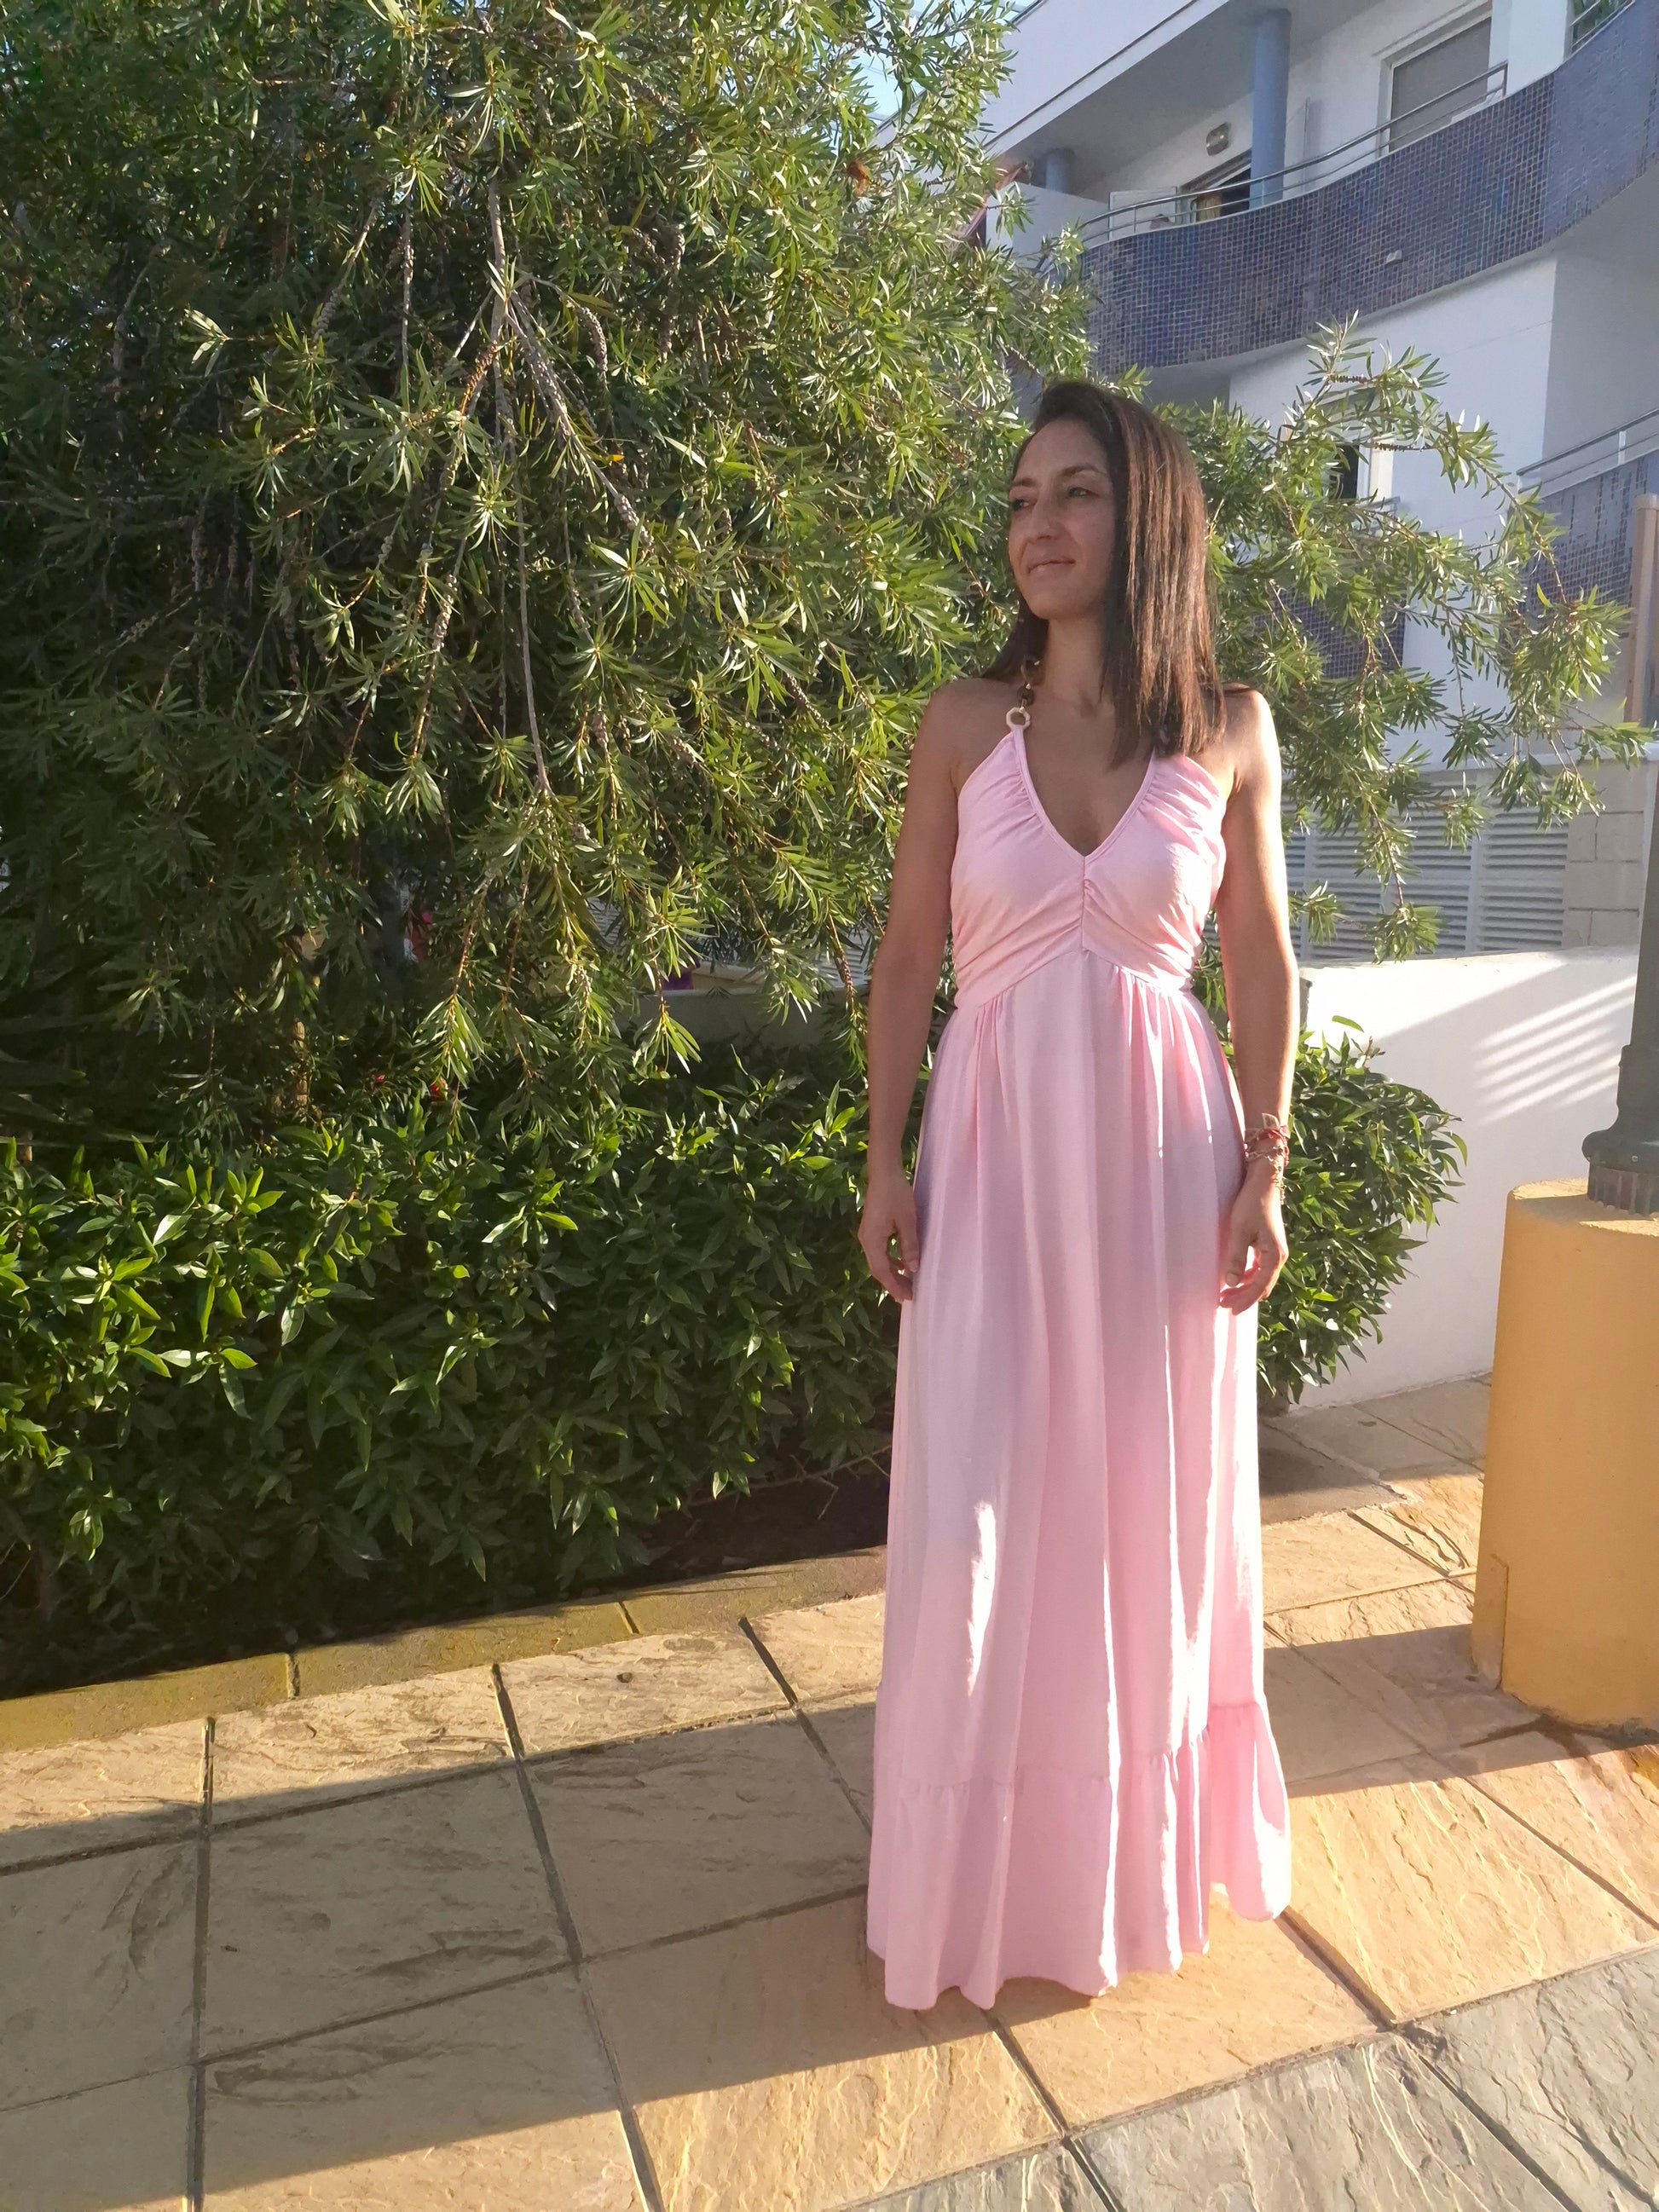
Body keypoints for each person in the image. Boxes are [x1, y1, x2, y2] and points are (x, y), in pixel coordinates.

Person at [858, 378, 1296, 2012]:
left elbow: (1261, 961)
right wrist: (881, 1157)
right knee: (973, 1524)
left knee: (1138, 1520)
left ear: (1146, 513)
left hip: (1165, 1173)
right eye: (1021, 498)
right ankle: (969, 1885)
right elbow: (907, 955)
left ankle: (1116, 1870)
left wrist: (1266, 1167)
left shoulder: (1230, 730)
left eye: (1075, 493)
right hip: (990, 1166)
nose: (1036, 525)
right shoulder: (961, 727)